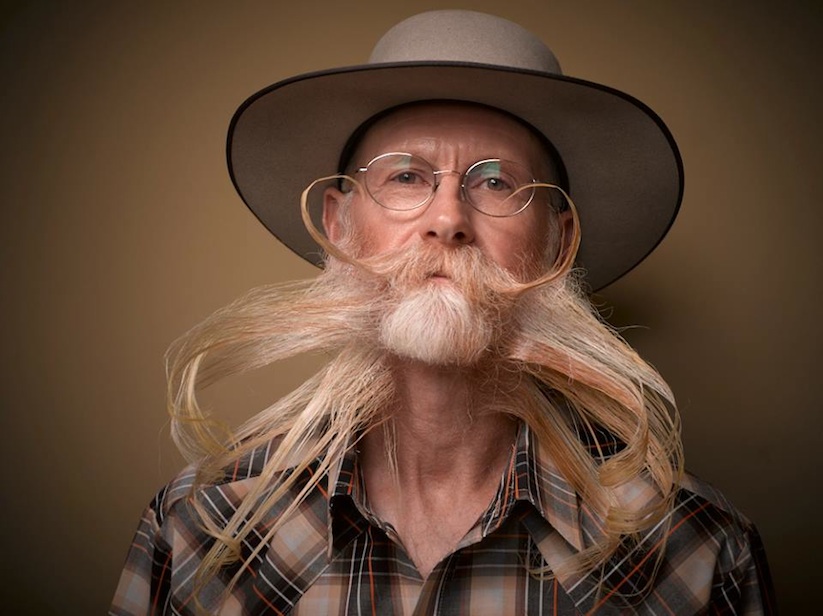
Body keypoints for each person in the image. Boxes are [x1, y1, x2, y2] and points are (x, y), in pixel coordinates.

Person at [110, 10, 776, 615]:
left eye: (495, 182)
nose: (448, 219)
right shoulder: (200, 524)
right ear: (338, 225)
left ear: (558, 241)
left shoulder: (695, 547)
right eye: (405, 175)